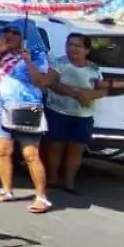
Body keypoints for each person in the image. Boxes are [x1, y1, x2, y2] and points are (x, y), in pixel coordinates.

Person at [0, 26, 60, 213]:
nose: (10, 35)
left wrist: (27, 60)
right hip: (1, 109)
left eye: (16, 32)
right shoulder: (0, 54)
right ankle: (6, 190)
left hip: (27, 110)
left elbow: (40, 82)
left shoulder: (37, 56)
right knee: (3, 151)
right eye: (7, 31)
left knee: (30, 154)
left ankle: (41, 197)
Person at [44, 33, 108, 192]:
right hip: (58, 111)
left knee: (76, 149)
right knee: (55, 147)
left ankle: (69, 182)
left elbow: (103, 90)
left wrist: (89, 95)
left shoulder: (94, 69)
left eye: (77, 46)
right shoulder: (60, 64)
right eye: (70, 45)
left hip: (83, 116)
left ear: (87, 50)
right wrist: (76, 94)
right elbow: (51, 83)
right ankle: (52, 179)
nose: (72, 48)